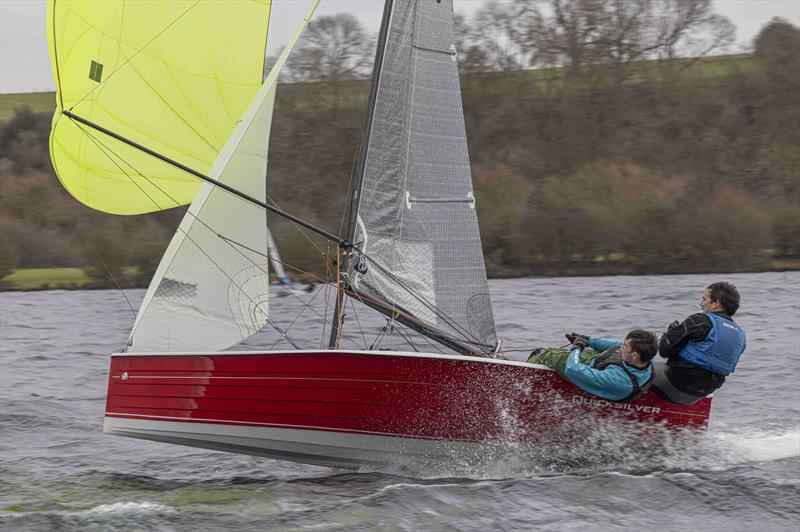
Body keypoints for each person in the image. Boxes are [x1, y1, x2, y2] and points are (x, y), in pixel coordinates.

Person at [652, 281, 746, 405]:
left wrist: (671, 334)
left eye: (704, 299)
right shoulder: (741, 335)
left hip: (674, 385)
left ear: (716, 303)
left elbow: (664, 351)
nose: (700, 303)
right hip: (700, 394)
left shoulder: (699, 320)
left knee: (633, 360)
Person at [527, 329, 658, 402]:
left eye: (625, 346)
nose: (621, 347)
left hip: (584, 371)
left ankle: (529, 367)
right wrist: (588, 340)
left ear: (635, 355)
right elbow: (615, 346)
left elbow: (572, 369)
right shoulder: (643, 358)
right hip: (597, 362)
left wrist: (577, 348)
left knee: (553, 356)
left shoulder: (618, 380)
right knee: (558, 351)